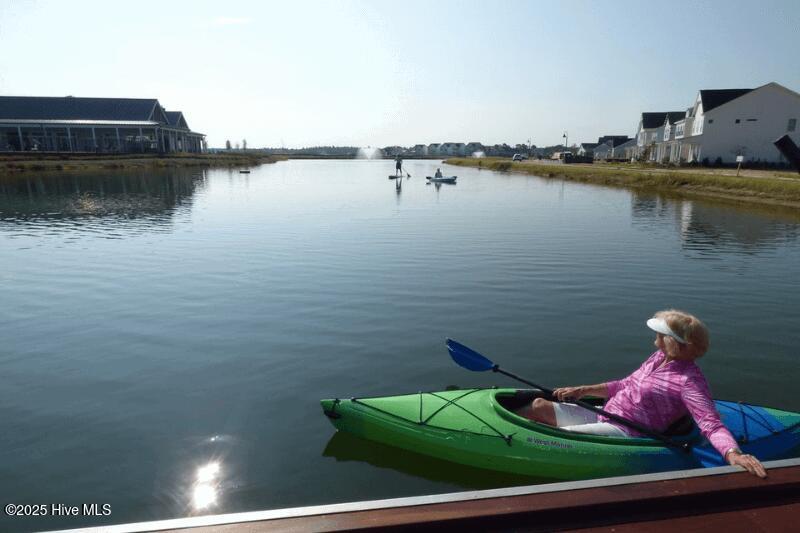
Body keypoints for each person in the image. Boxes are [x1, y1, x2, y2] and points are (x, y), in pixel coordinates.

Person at [519, 309, 767, 478]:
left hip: (627, 429)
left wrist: (733, 454)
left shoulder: (688, 382)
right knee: (539, 405)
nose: (656, 339)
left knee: (556, 437)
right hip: (607, 412)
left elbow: (710, 423)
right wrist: (583, 391)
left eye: (661, 336)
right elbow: (625, 384)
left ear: (676, 343)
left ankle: (518, 444)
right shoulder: (660, 357)